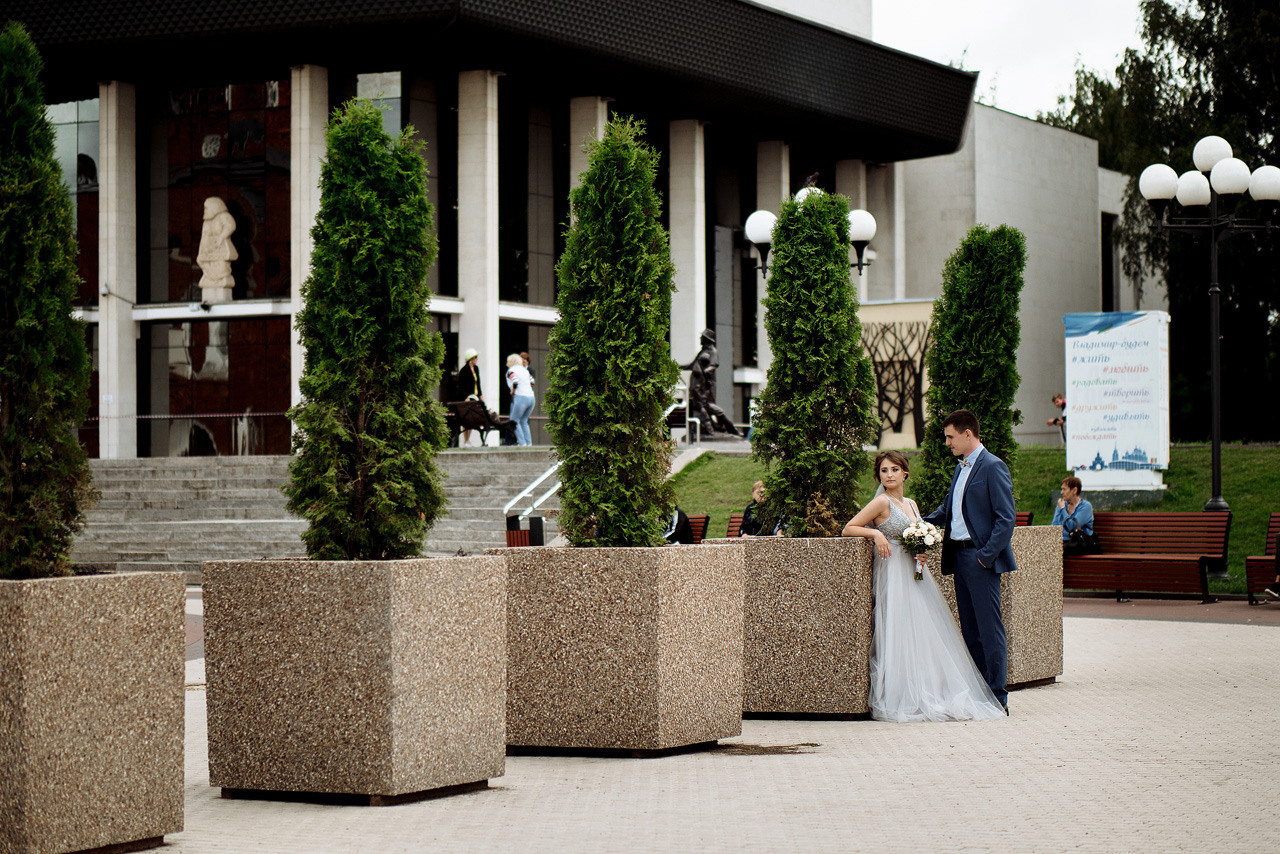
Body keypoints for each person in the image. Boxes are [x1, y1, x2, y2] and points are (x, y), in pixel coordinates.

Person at [842, 450, 1006, 722]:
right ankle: (902, 693)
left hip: (915, 572)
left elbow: (916, 532)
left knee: (924, 629)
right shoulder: (881, 503)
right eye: (884, 471)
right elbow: (849, 527)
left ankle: (929, 688)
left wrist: (921, 548)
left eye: (894, 470)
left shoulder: (912, 504)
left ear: (905, 472)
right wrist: (875, 534)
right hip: (893, 572)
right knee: (899, 629)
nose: (889, 475)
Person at [922, 409, 1017, 714]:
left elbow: (1006, 518)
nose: (947, 442)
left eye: (950, 437)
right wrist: (917, 523)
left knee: (990, 629)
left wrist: (984, 557)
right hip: (958, 556)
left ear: (967, 434)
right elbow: (948, 508)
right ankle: (979, 696)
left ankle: (997, 697)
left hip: (979, 559)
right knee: (970, 630)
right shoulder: (960, 467)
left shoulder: (993, 466)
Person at [1052, 476, 1095, 552]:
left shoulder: (1085, 507)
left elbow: (1071, 526)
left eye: (1064, 489)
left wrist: (1062, 510)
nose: (1061, 492)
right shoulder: (1061, 505)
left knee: (1056, 550)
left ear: (1074, 490)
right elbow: (1054, 527)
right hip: (1062, 543)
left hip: (1078, 543)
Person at [505, 353, 536, 446]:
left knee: (514, 420)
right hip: (531, 397)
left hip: (520, 396)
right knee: (524, 421)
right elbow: (532, 382)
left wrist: (513, 391)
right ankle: (528, 443)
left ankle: (522, 443)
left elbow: (515, 381)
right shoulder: (525, 370)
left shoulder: (511, 370)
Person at [455, 349, 483, 445]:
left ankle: (468, 440)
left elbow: (478, 383)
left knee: (471, 419)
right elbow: (462, 385)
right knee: (466, 419)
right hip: (466, 397)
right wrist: (465, 396)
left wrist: (480, 395)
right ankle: (465, 440)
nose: (477, 359)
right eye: (475, 357)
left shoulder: (476, 369)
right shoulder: (464, 370)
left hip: (474, 397)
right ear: (470, 359)